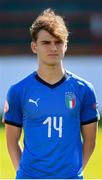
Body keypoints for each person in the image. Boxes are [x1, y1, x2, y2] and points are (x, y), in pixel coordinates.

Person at [3, 8, 100, 179]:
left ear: (66, 46)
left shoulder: (84, 90)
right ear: (34, 47)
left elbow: (90, 141)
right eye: (46, 43)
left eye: (58, 42)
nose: (53, 48)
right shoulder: (18, 91)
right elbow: (11, 141)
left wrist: (74, 172)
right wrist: (22, 173)